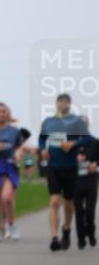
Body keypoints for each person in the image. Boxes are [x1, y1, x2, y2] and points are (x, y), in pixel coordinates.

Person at [39, 94, 91, 251]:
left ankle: (66, 229)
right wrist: (43, 150)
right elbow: (42, 139)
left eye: (66, 101)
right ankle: (54, 237)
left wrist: (73, 143)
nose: (63, 103)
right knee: (54, 200)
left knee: (68, 203)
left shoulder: (76, 121)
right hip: (53, 166)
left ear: (69, 103)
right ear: (56, 104)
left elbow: (87, 139)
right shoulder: (48, 121)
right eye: (60, 101)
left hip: (70, 166)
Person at [0, 103, 23, 242]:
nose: (1, 114)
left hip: (9, 166)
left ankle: (11, 225)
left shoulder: (14, 131)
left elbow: (19, 147)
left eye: (3, 111)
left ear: (8, 114)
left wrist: (18, 154)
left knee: (7, 197)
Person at [75, 131, 98, 249]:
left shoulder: (95, 142)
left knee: (90, 211)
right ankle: (81, 239)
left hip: (90, 181)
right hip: (75, 181)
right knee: (79, 212)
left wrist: (96, 164)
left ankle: (91, 233)